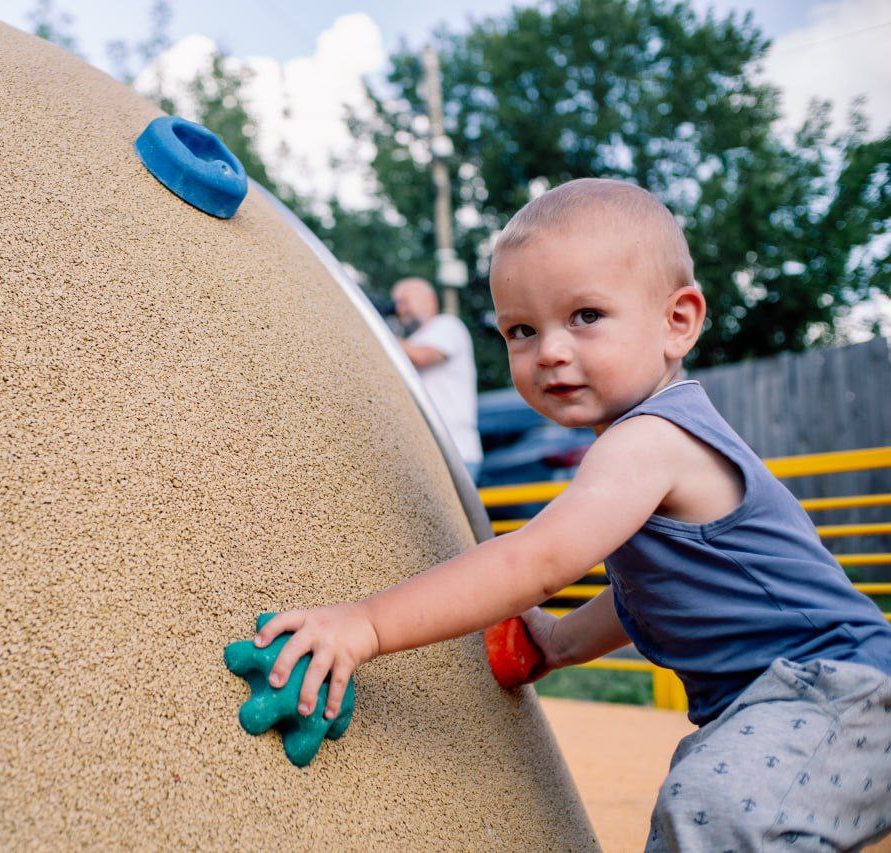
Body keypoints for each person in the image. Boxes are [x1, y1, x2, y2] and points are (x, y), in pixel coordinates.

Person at [251, 179, 891, 851]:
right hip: (808, 702)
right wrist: (557, 644)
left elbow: (536, 561)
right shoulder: (648, 443)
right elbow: (649, 592)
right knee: (702, 808)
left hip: (834, 694)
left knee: (713, 808)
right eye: (521, 330)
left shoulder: (651, 439)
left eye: (585, 315)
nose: (550, 351)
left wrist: (366, 624)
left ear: (677, 322)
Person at [391, 277, 483, 481]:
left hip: (455, 451)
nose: (400, 309)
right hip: (426, 453)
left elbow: (422, 356)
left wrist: (382, 335)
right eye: (397, 303)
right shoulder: (411, 341)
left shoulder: (447, 325)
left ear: (430, 300)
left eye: (405, 301)